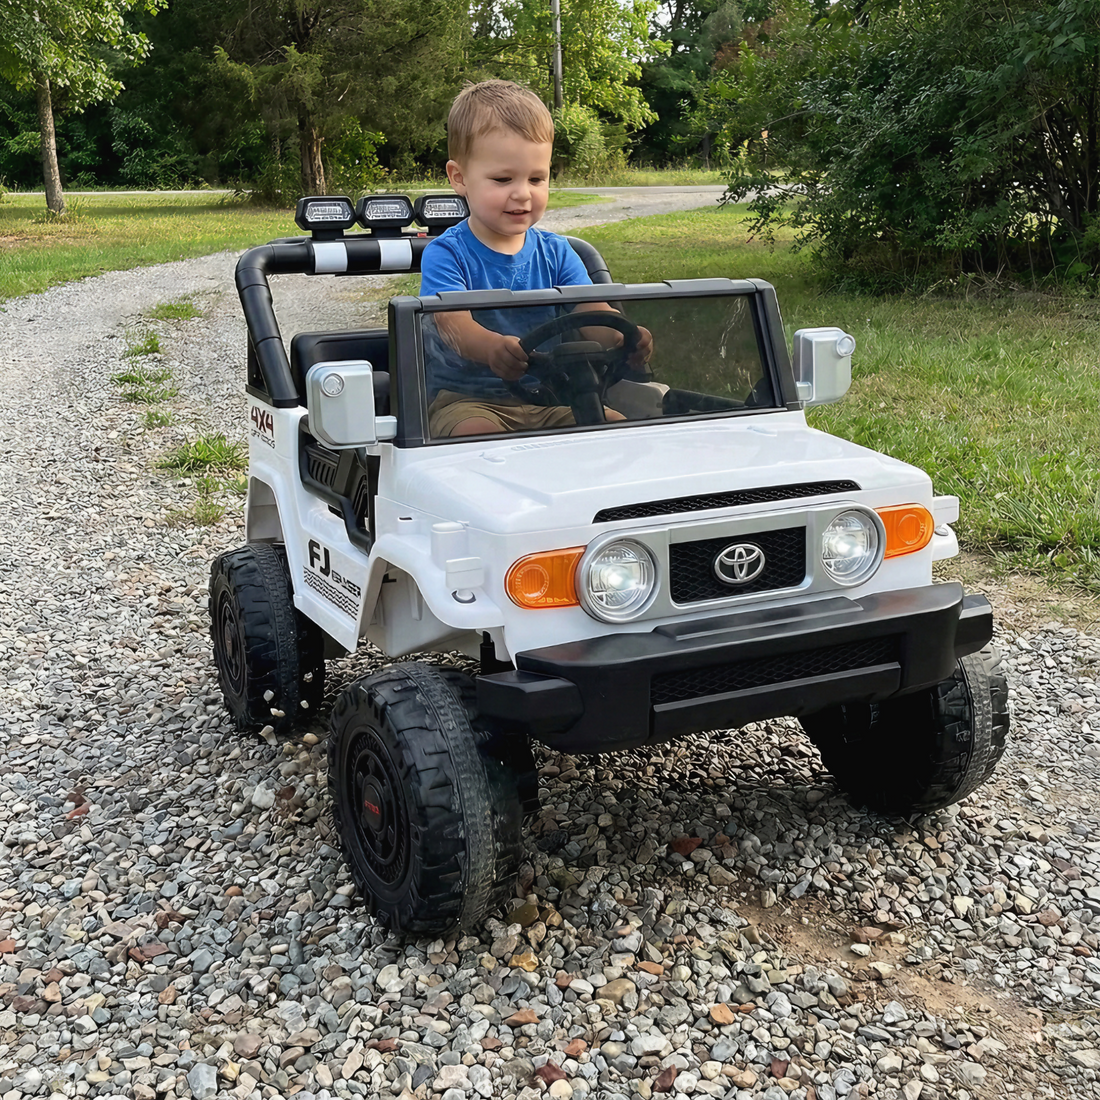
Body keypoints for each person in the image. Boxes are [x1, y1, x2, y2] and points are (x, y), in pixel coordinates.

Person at [419, 79, 651, 438]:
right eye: (502, 179)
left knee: (619, 431)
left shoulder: (557, 252)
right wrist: (493, 347)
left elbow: (591, 312)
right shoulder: (448, 253)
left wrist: (625, 338)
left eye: (537, 179)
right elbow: (453, 326)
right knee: (477, 436)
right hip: (470, 401)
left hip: (555, 397)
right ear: (459, 177)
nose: (522, 194)